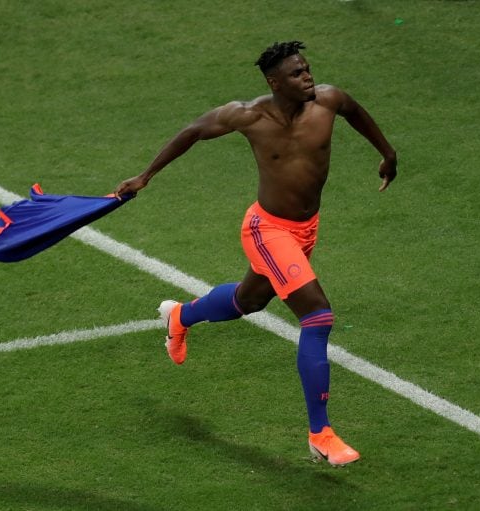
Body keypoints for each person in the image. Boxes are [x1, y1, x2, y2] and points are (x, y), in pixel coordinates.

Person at [114, 41, 397, 466]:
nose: (308, 78)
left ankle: (180, 316)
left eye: (308, 69)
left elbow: (355, 112)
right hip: (267, 230)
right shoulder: (248, 116)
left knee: (250, 300)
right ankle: (320, 433)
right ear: (274, 82)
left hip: (305, 230)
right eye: (298, 73)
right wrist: (146, 175)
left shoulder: (329, 101)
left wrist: (387, 153)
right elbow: (192, 131)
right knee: (317, 316)